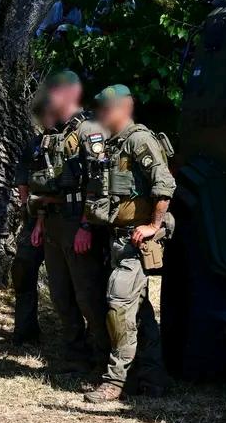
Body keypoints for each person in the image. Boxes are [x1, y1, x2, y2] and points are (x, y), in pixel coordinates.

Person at [83, 84, 173, 403]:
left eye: (106, 107)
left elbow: (164, 185)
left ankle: (114, 381)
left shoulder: (139, 140)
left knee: (118, 305)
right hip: (118, 239)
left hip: (138, 241)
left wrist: (153, 226)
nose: (101, 113)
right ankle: (152, 378)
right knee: (139, 312)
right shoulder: (113, 144)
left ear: (125, 107)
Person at [26, 70, 110, 374]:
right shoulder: (52, 134)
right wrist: (39, 222)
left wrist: (87, 225)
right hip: (53, 224)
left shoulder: (90, 130)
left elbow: (100, 183)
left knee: (88, 295)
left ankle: (103, 357)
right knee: (61, 295)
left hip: (78, 222)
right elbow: (45, 183)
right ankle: (76, 355)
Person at [11, 92, 55, 345]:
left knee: (69, 282)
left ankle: (80, 338)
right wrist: (27, 205)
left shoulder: (73, 143)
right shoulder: (34, 145)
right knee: (22, 269)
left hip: (60, 220)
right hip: (33, 220)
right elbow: (22, 180)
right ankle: (25, 330)